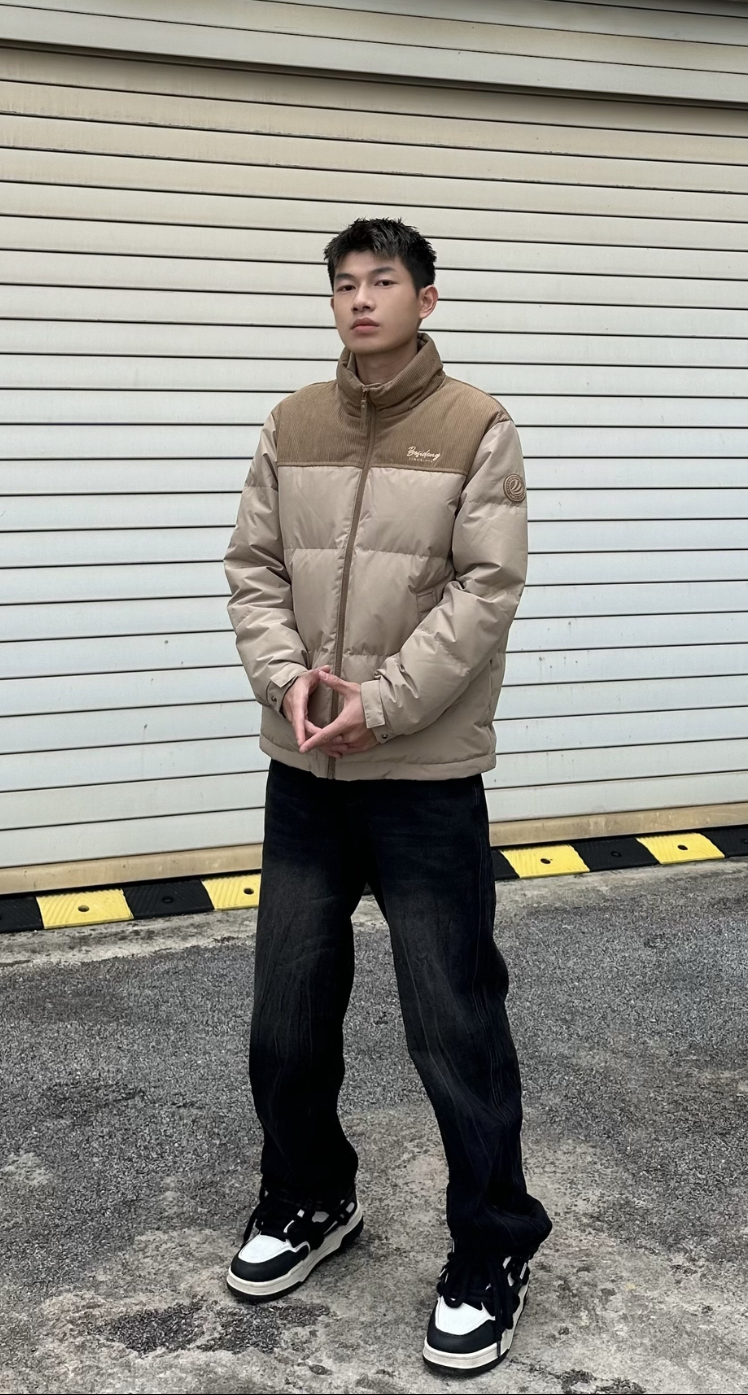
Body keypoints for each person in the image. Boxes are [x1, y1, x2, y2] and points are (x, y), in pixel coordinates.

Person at [223, 217, 551, 1374]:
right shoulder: (292, 424)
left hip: (422, 780)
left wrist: (386, 701)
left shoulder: (475, 427)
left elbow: (487, 587)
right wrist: (288, 680)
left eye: (383, 282)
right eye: (344, 285)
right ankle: (310, 1197)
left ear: (426, 299)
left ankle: (494, 1245)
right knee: (286, 1015)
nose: (361, 300)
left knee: (454, 1021)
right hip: (305, 771)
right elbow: (254, 568)